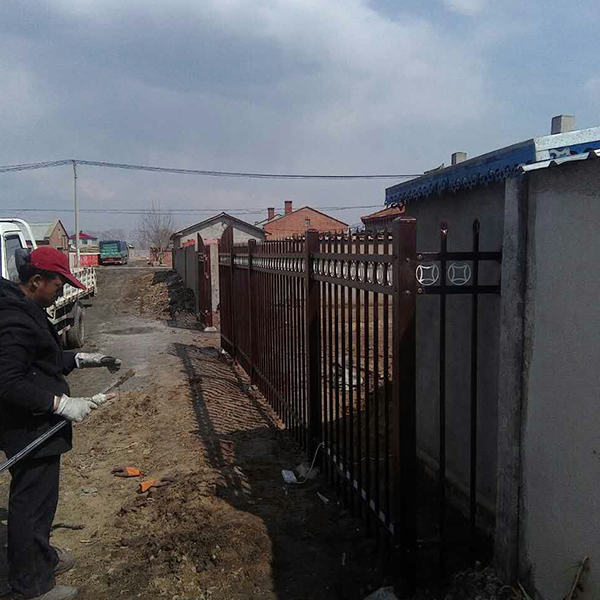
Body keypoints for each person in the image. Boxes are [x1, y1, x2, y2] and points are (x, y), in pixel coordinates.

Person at [0, 247, 122, 600]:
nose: (62, 291)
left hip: (40, 426)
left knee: (43, 502)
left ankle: (44, 559)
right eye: (58, 284)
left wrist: (82, 359)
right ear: (36, 281)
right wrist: (62, 404)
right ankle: (30, 587)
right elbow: (8, 381)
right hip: (30, 429)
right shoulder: (14, 320)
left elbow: (41, 360)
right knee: (31, 506)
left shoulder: (28, 309)